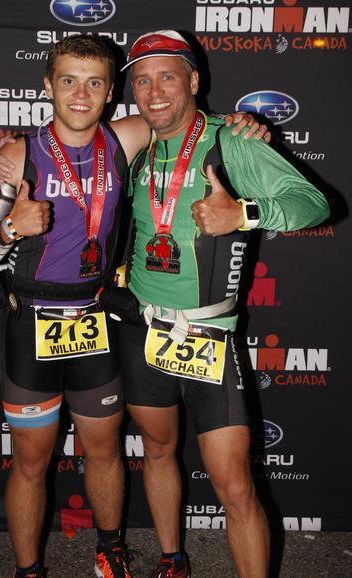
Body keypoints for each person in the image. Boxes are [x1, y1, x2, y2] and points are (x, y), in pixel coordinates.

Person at [0, 33, 269, 578]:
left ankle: (109, 548)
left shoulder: (124, 137)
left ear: (110, 93)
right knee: (31, 463)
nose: (80, 95)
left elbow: (184, 118)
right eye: (68, 81)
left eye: (94, 83)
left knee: (105, 451)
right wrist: (10, 228)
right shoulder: (16, 155)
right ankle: (27, 570)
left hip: (97, 321)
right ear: (47, 86)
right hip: (31, 324)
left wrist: (243, 126)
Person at [113, 31, 329, 578]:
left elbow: (313, 203)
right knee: (157, 450)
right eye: (142, 80)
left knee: (234, 484)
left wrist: (245, 214)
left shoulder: (232, 140)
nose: (154, 91)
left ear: (193, 81)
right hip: (141, 330)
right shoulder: (135, 147)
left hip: (209, 335)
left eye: (167, 76)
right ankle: (172, 560)